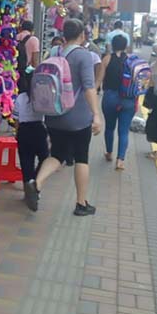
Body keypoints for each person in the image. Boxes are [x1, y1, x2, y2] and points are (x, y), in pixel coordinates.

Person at [24, 19, 103, 216]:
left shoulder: (53, 53)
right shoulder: (84, 56)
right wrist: (96, 114)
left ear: (64, 34)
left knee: (57, 154)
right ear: (82, 35)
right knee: (81, 157)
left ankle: (37, 183)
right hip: (78, 118)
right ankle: (81, 203)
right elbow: (88, 87)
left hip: (53, 114)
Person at [100, 35, 136, 171]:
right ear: (126, 45)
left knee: (109, 127)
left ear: (112, 45)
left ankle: (109, 152)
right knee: (124, 131)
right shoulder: (132, 60)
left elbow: (99, 80)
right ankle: (120, 160)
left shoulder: (107, 59)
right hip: (128, 99)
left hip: (110, 97)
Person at [13, 66, 48, 188]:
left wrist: (17, 133)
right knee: (45, 157)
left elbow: (16, 120)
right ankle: (36, 179)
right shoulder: (43, 96)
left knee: (26, 162)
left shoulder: (21, 97)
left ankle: (28, 185)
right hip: (39, 129)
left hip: (24, 130)